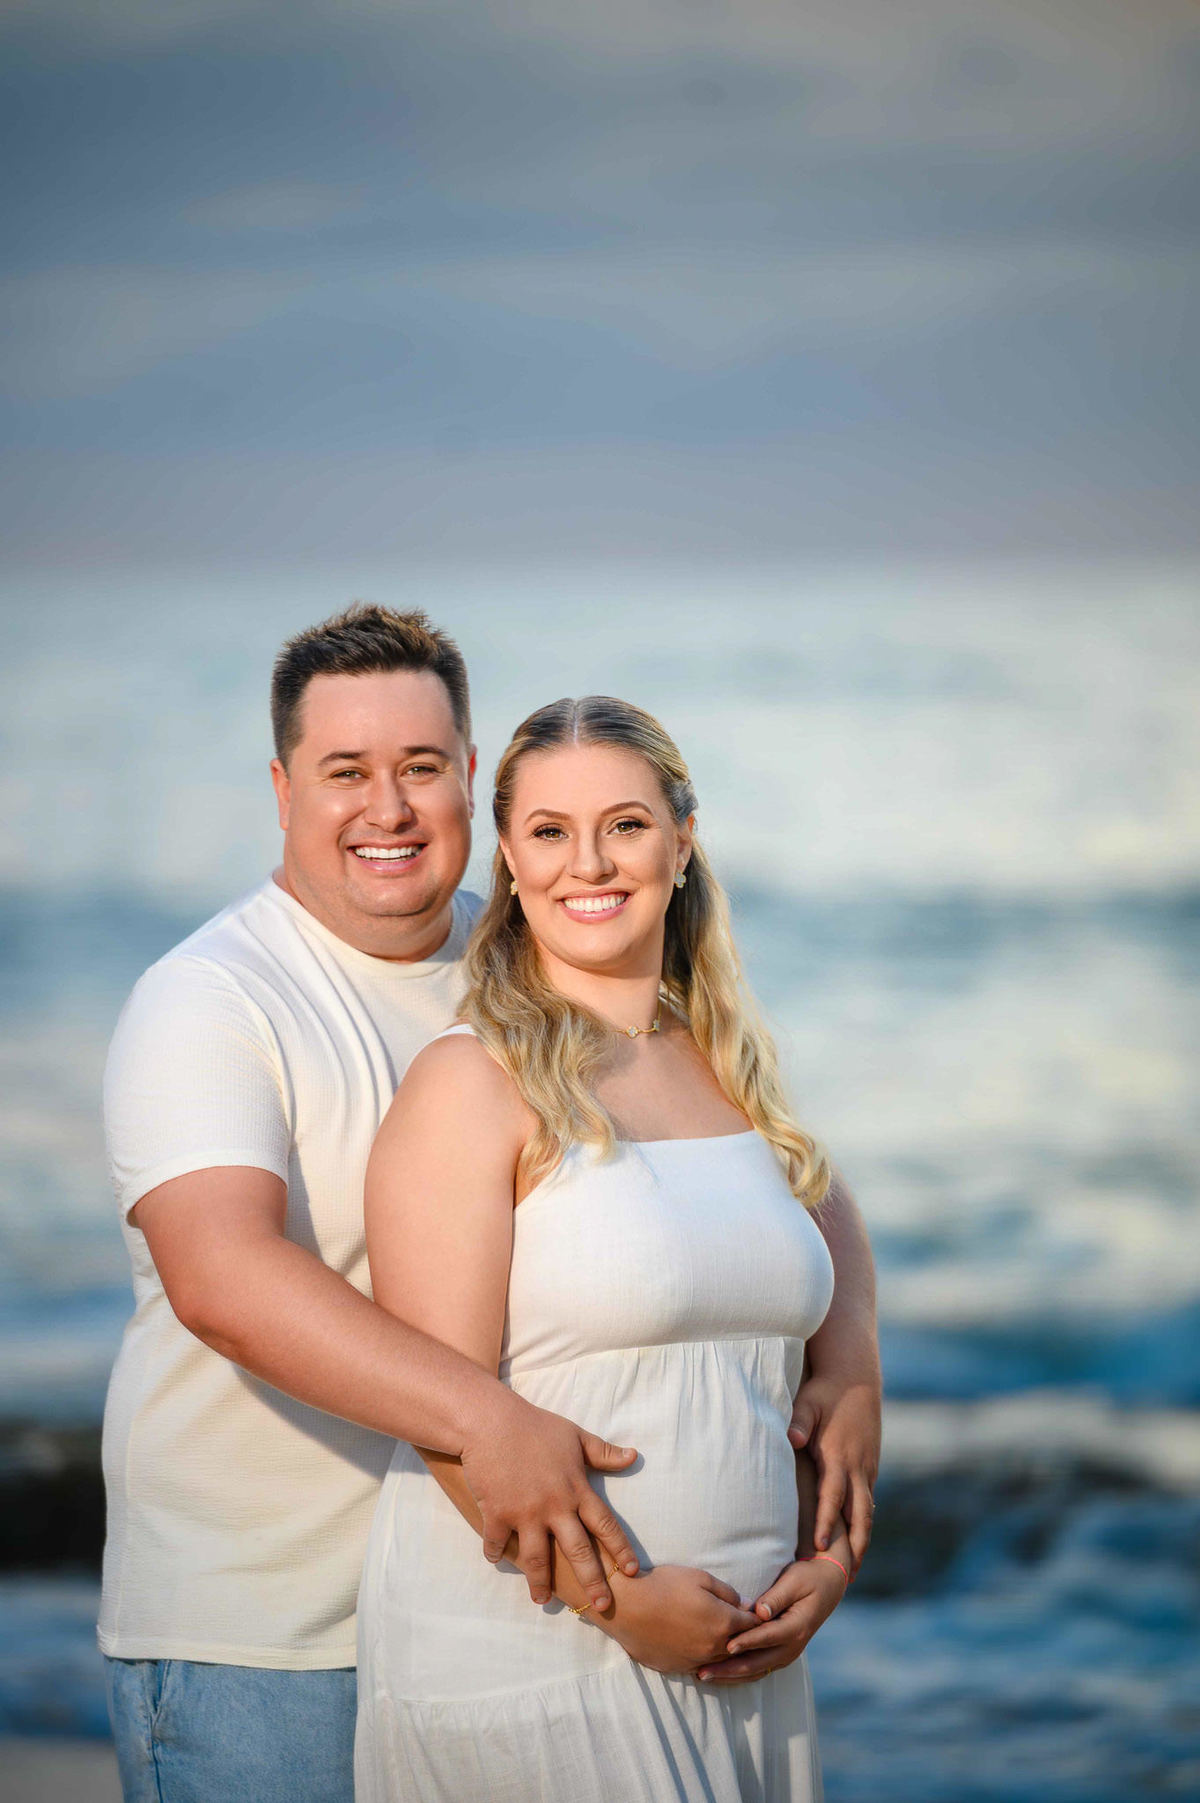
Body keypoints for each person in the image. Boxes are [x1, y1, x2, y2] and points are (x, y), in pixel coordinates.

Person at [99, 606, 878, 1803]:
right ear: (282, 789)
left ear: (471, 782)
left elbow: (767, 1170)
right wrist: (494, 1426)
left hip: (513, 1577)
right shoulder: (212, 998)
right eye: (344, 772)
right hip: (264, 1626)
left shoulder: (542, 956)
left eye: (420, 767)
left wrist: (849, 1355)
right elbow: (222, 1280)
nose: (389, 808)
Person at [356, 694, 872, 1802]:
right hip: (540, 1652)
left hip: (744, 1656)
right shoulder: (471, 1081)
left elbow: (819, 1210)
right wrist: (622, 1606)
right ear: (508, 857)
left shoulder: (727, 1064)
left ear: (682, 842)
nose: (588, 863)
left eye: (625, 826)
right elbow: (439, 1407)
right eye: (549, 831)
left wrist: (855, 1369)